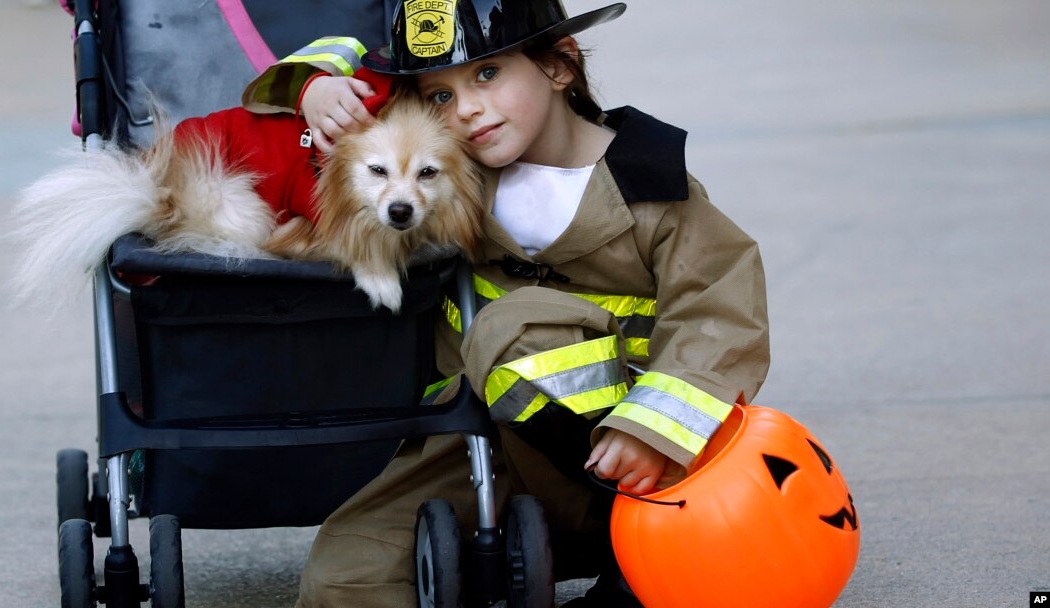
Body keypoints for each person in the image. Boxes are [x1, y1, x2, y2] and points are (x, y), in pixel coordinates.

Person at [243, 1, 770, 606]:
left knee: (518, 329)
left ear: (559, 65)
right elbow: (350, 88)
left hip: (631, 463)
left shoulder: (650, 185)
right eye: (438, 96)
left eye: (487, 75)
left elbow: (720, 310)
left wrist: (652, 430)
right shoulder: (446, 176)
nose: (464, 109)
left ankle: (643, 559)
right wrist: (316, 90)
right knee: (345, 577)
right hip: (480, 442)